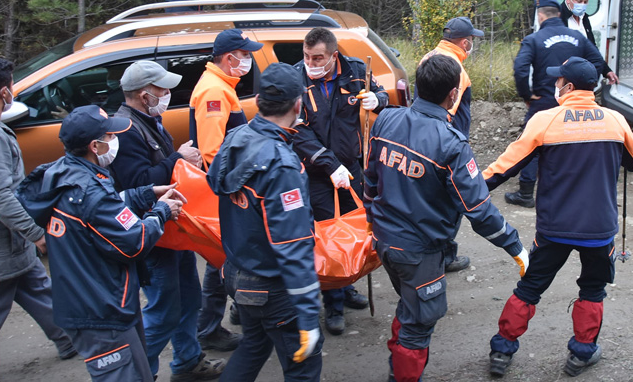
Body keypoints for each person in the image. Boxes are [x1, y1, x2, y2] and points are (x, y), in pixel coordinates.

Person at [363, 54, 529, 382]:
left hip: (385, 241)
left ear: (416, 86)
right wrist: (515, 246)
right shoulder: (451, 143)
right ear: (453, 95)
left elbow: (369, 178)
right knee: (419, 324)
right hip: (419, 252)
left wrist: (373, 219)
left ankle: (398, 367)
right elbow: (478, 209)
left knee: (411, 309)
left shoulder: (386, 120)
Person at [482, 57, 633, 378]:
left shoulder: (545, 120)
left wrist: (468, 189)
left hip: (555, 229)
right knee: (593, 290)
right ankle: (582, 354)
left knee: (528, 289)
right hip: (600, 230)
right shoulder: (615, 120)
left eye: (558, 81)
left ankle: (502, 350)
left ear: (568, 87)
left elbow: (503, 167)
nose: (555, 85)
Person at [16, 105, 185, 382]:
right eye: (110, 136)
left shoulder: (66, 172)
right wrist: (161, 212)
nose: (114, 140)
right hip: (100, 311)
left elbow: (105, 209)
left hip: (94, 300)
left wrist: (146, 194)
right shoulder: (89, 190)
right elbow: (134, 240)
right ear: (95, 146)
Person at [207, 63, 322, 381]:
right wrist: (310, 316)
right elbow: (293, 247)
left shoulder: (235, 137)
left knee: (255, 344)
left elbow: (214, 181)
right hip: (271, 286)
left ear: (258, 99)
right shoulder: (282, 167)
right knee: (304, 367)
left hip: (236, 274)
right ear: (298, 105)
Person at [111, 61, 225, 381]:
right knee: (162, 313)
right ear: (143, 94)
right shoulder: (125, 128)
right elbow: (136, 186)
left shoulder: (149, 119)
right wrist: (178, 159)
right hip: (152, 235)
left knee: (189, 298)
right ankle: (136, 374)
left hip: (173, 227)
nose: (166, 93)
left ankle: (188, 361)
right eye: (161, 89)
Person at [291, 27, 385, 336]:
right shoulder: (298, 78)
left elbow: (381, 92)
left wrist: (377, 99)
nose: (311, 62)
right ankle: (332, 301)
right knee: (329, 237)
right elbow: (298, 131)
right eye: (306, 56)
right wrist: (329, 164)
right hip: (317, 172)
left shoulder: (357, 71)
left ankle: (348, 287)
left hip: (352, 167)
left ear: (333, 55)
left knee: (355, 227)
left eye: (317, 57)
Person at [0, 58, 76, 361]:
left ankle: (69, 338)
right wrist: (35, 233)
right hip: (2, 245)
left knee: (38, 287)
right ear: (5, 92)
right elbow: (0, 196)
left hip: (13, 244)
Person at [189, 28, 262, 351]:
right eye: (245, 55)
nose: (248, 60)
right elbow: (212, 152)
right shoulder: (214, 93)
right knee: (221, 259)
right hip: (226, 191)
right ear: (229, 57)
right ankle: (208, 328)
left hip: (229, 188)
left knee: (222, 258)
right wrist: (238, 185)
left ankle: (215, 321)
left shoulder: (223, 87)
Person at [504, 0, 607, 209]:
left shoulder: (534, 39)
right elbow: (597, 60)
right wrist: (587, 85)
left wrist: (527, 95)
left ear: (541, 15)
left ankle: (525, 192)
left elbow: (521, 69)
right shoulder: (577, 37)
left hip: (543, 100)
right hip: (572, 99)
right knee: (574, 141)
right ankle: (573, 189)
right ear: (559, 14)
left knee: (532, 143)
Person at [418, 16, 485, 274]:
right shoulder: (456, 68)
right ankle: (445, 255)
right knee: (451, 199)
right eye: (472, 41)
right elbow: (447, 111)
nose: (472, 45)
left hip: (421, 137)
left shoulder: (429, 56)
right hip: (446, 144)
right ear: (465, 42)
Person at [559, 0, 619, 85]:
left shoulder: (584, 18)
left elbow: (592, 49)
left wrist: (606, 70)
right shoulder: (558, 18)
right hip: (564, 77)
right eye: (579, 1)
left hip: (582, 76)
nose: (582, 5)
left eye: (585, 2)